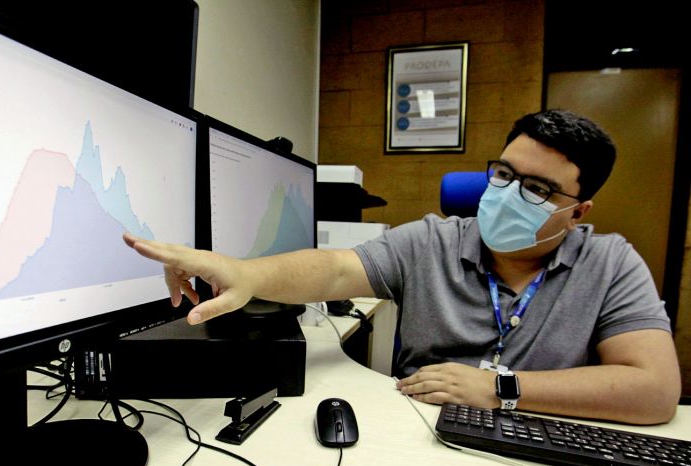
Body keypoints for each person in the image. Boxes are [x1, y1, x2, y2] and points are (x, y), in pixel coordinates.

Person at [123, 109, 681, 425]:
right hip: (419, 436)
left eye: (536, 189)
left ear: (576, 211)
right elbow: (335, 270)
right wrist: (244, 272)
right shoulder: (433, 240)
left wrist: (502, 388)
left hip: (544, 439)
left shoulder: (610, 262)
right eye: (504, 174)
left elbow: (655, 391)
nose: (507, 195)